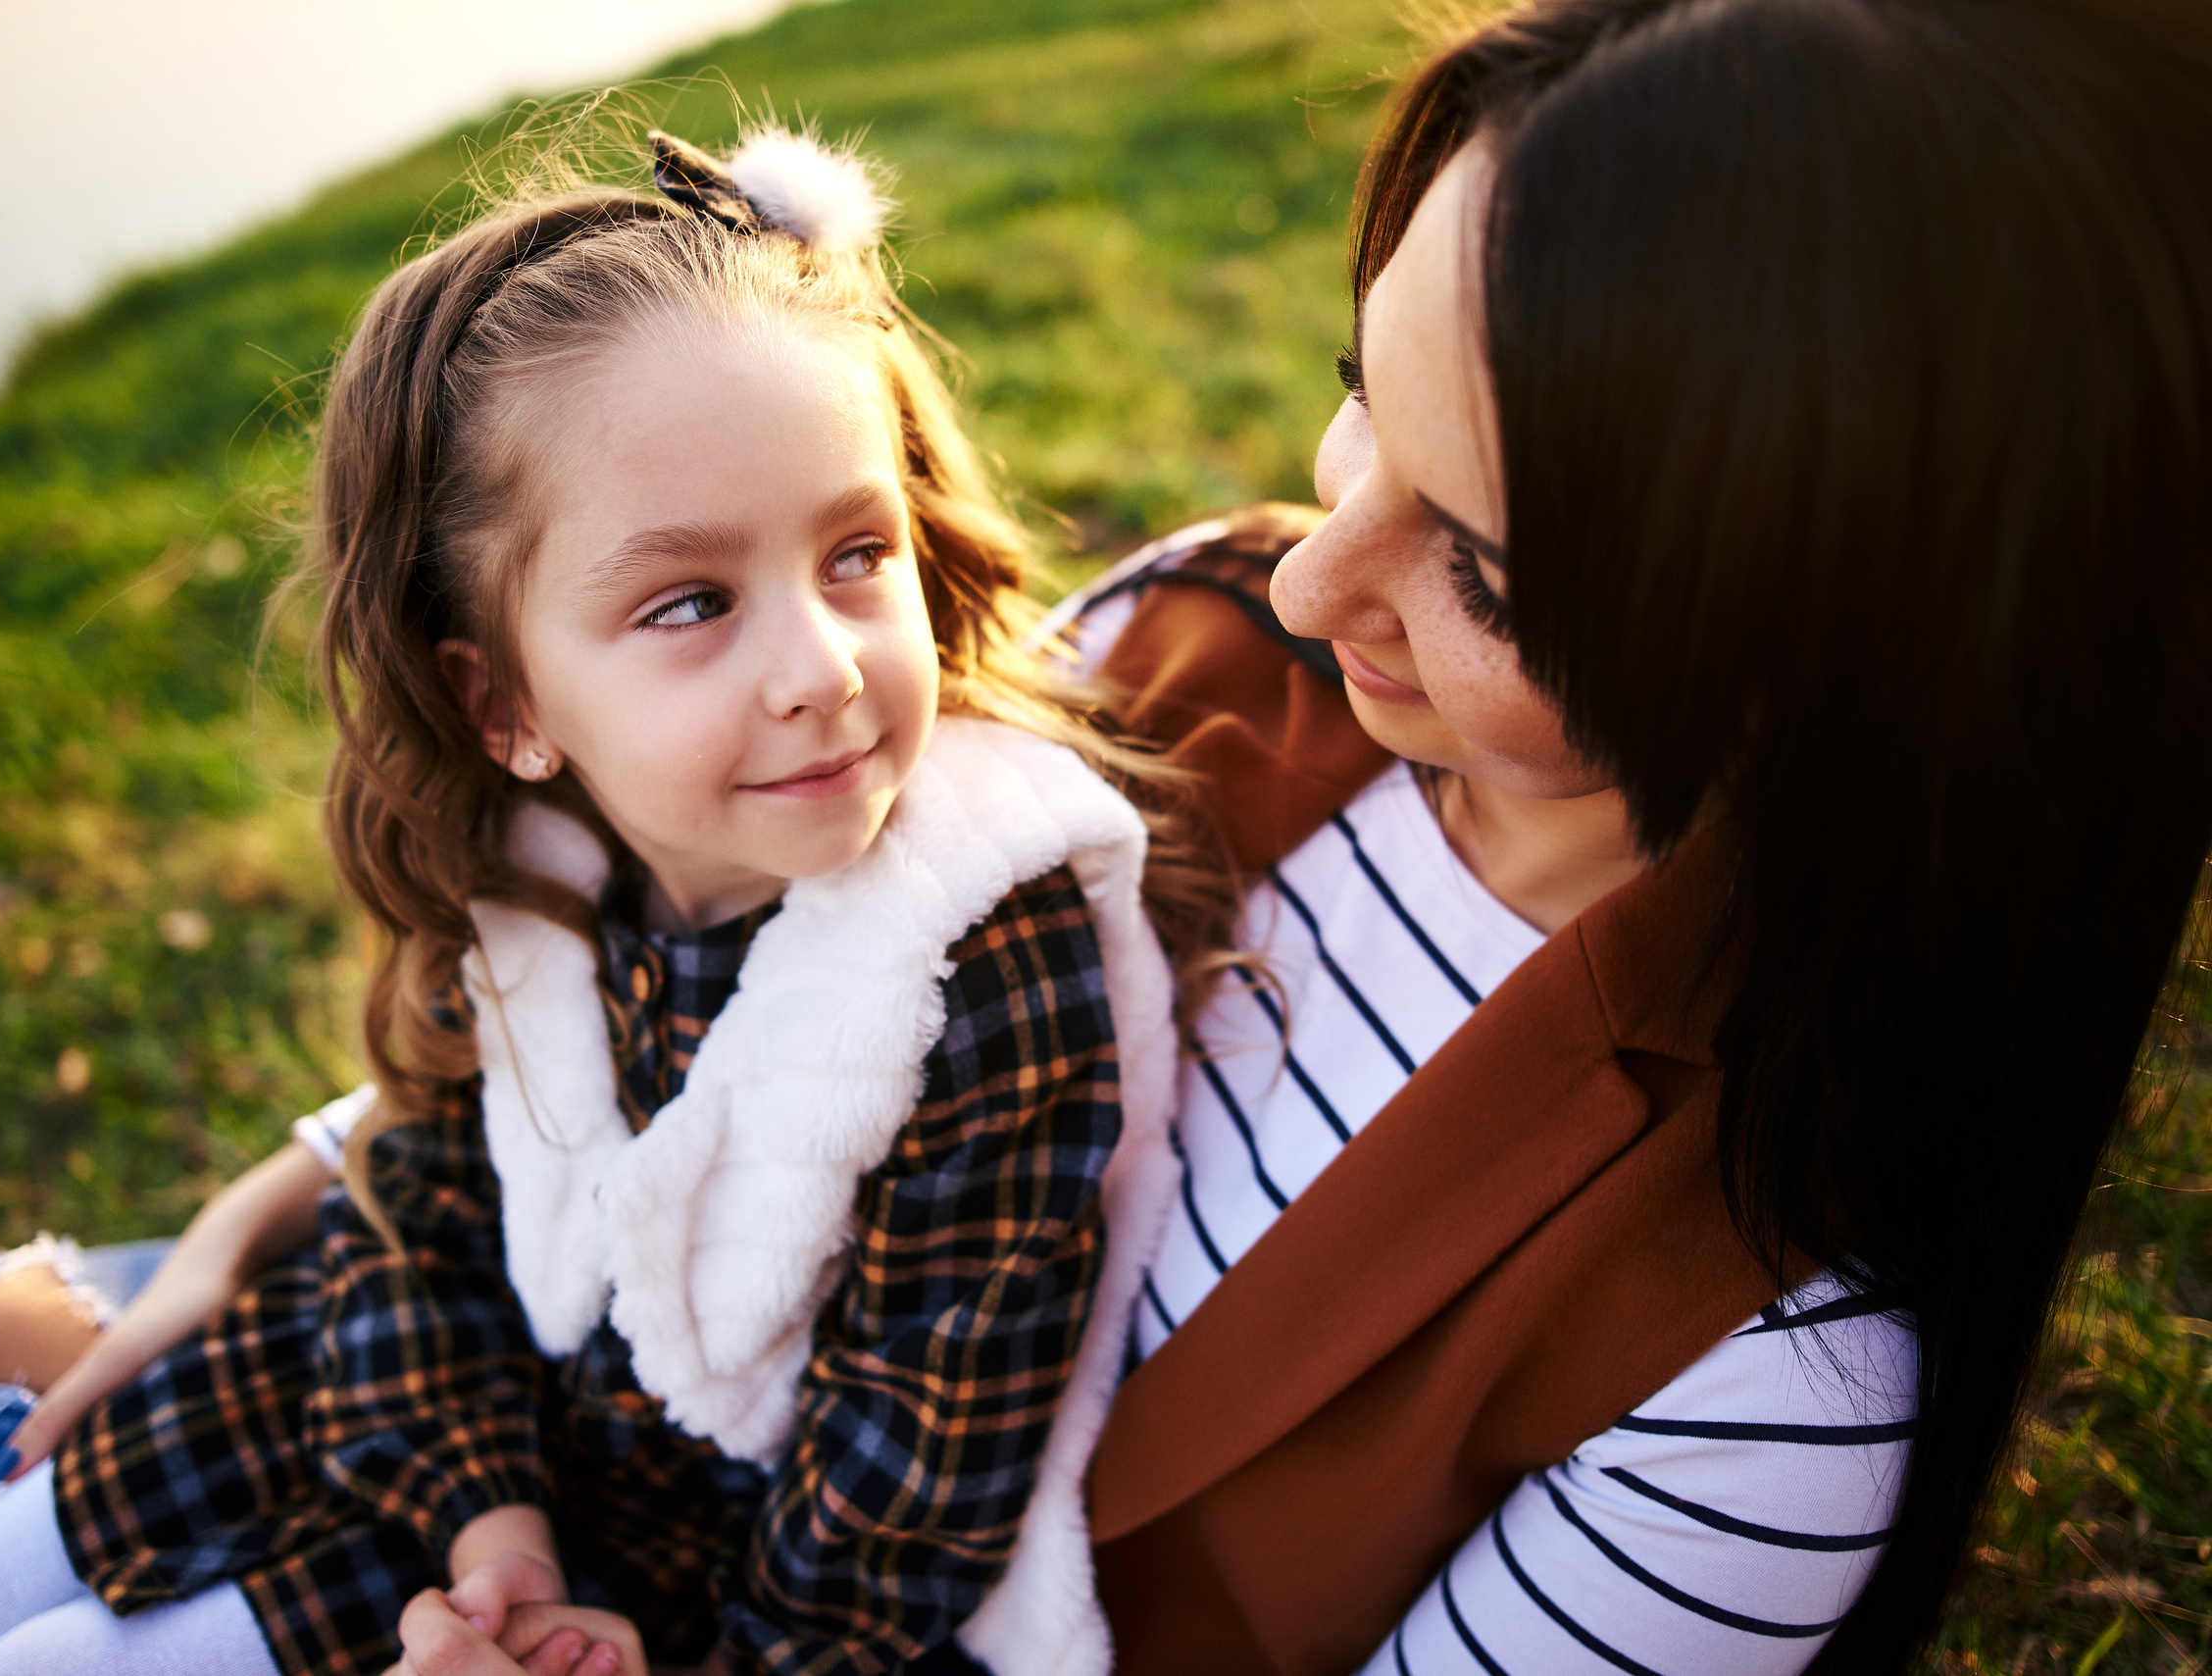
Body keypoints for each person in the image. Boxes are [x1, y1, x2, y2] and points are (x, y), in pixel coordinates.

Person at [393, 0, 2212, 1672]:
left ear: (1842, 679)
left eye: (1487, 574)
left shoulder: (1751, 1382)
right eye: (1368, 399)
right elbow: (671, 1004)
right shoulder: (1179, 640)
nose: (1309, 572)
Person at [0, 126, 1239, 1676]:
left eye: (853, 553)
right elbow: (415, 1220)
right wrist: (493, 1534)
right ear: (503, 704)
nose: (820, 669)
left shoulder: (982, 968)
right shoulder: (530, 868)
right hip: (455, 1428)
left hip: (701, 1581)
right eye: (691, 600)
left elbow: (895, 1523)